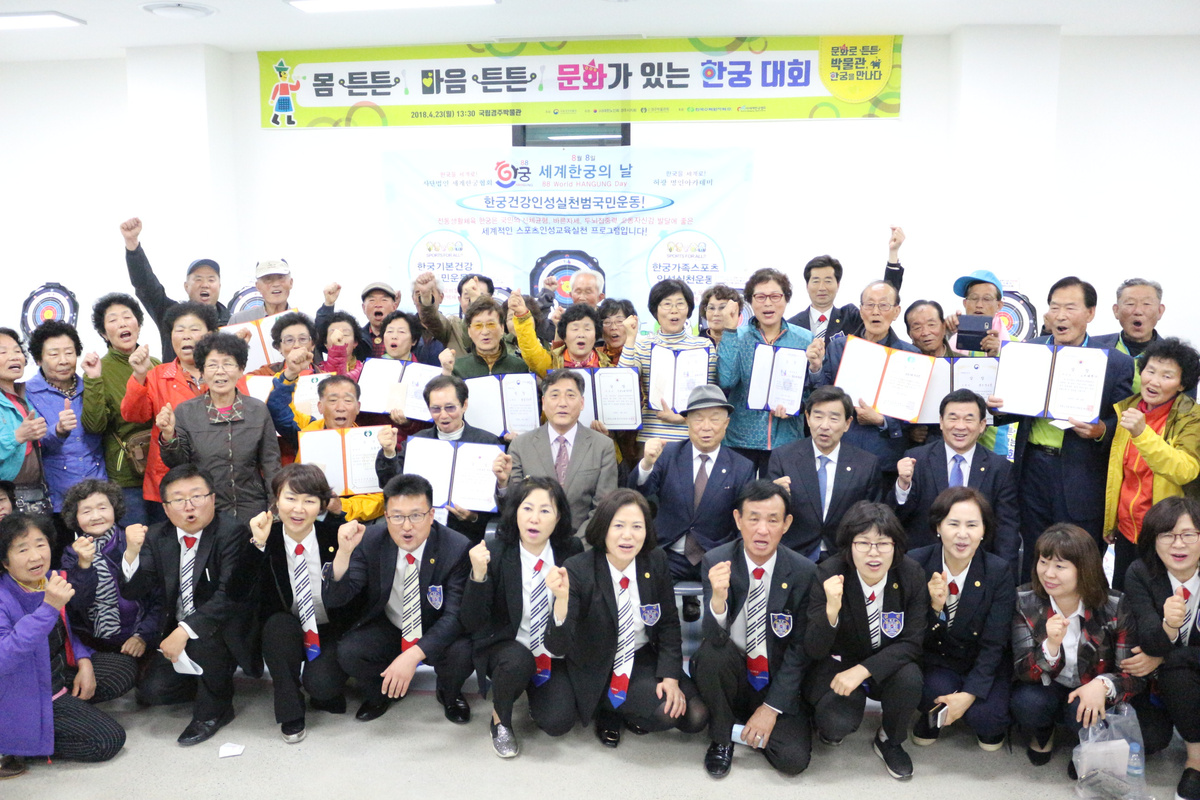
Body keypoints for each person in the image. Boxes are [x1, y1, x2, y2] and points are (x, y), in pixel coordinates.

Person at [987, 276, 1135, 576]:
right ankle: (1032, 605)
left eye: (1070, 308)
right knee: (1035, 551)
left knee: (1080, 557)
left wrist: (1101, 431)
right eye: (1054, 308)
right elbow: (1010, 410)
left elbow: (1123, 423)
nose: (1060, 316)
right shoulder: (1027, 351)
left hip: (1083, 473)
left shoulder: (1117, 363)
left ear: (1090, 313)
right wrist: (997, 407)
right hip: (1032, 468)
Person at [544, 488, 708, 747]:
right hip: (598, 663)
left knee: (696, 717)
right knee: (665, 714)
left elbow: (668, 623)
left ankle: (624, 708)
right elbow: (557, 646)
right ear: (603, 528)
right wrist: (561, 601)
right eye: (618, 525)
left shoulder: (654, 560)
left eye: (637, 526)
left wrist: (670, 676)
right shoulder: (578, 568)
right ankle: (609, 708)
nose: (628, 535)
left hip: (641, 656)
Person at [117, 464, 258, 745]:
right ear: (166, 509)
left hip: (223, 626)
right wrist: (131, 552)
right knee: (153, 692)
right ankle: (208, 679)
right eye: (178, 500)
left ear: (213, 499)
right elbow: (134, 590)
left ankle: (215, 710)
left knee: (205, 640)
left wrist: (185, 630)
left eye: (197, 496)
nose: (189, 506)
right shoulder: (157, 536)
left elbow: (229, 596)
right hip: (176, 628)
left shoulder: (232, 532)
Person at [323, 474, 474, 725]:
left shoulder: (456, 548)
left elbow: (454, 616)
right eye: (397, 516)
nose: (406, 526)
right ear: (386, 516)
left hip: (435, 626)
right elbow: (336, 599)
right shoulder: (371, 540)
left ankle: (449, 692)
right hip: (392, 624)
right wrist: (343, 553)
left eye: (416, 515)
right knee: (350, 651)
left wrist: (412, 656)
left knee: (463, 652)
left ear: (431, 515)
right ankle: (383, 692)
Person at [691, 480, 818, 778]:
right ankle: (722, 736)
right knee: (712, 654)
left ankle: (748, 721)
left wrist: (771, 708)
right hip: (732, 669)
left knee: (793, 760)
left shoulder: (804, 571)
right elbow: (712, 638)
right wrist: (718, 599)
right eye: (753, 519)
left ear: (786, 524)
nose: (762, 530)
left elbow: (799, 650)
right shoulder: (716, 560)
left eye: (773, 520)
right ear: (738, 519)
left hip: (774, 677)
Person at [459, 477, 584, 757]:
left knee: (558, 722)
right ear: (515, 512)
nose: (534, 519)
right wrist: (477, 576)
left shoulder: (571, 551)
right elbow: (472, 621)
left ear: (558, 517)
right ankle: (500, 719)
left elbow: (573, 621)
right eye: (527, 508)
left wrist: (562, 600)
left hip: (551, 649)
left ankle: (534, 694)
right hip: (507, 646)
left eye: (545, 510)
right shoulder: (496, 551)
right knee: (517, 662)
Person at [804, 501, 926, 781]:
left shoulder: (911, 574)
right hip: (839, 662)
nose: (873, 553)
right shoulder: (829, 573)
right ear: (849, 546)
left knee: (910, 677)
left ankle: (889, 740)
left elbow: (912, 642)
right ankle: (831, 724)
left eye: (883, 543)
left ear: (895, 546)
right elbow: (814, 648)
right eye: (863, 543)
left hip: (887, 661)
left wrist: (863, 670)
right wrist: (831, 611)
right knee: (835, 722)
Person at [242, 464, 362, 743]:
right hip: (287, 627)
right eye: (290, 498)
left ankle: (323, 686)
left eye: (309, 500)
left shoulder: (335, 535)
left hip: (329, 626)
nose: (298, 509)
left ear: (322, 505)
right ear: (276, 501)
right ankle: (290, 711)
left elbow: (353, 596)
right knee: (277, 626)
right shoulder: (266, 536)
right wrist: (256, 545)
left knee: (322, 687)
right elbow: (239, 592)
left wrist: (344, 554)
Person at [0, 513, 128, 772]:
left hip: (54, 673)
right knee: (108, 740)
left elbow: (66, 628)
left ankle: (63, 715)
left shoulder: (48, 579)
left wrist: (83, 661)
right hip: (24, 691)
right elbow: (5, 658)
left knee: (123, 669)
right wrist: (48, 608)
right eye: (22, 549)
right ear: (5, 561)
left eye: (40, 544)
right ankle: (21, 745)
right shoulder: (4, 597)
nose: (35, 556)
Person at [1011, 523, 1141, 775]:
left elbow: (1133, 675)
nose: (1048, 573)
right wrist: (1050, 646)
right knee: (1027, 703)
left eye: (1060, 566)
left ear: (1084, 569)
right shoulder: (1025, 600)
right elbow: (1022, 671)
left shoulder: (1114, 605)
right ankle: (1044, 731)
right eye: (1043, 562)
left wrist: (1103, 685)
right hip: (1047, 685)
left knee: (1082, 711)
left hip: (1091, 685)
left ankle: (1085, 744)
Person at [630, 385, 755, 622]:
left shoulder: (742, 466)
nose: (706, 427)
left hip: (716, 555)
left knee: (721, 613)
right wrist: (646, 464)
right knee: (653, 608)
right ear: (686, 422)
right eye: (698, 419)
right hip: (668, 553)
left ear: (726, 423)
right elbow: (638, 493)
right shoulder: (668, 455)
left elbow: (745, 518)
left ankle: (716, 642)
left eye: (714, 419)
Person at [909, 487, 1015, 752]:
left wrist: (968, 695)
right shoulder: (916, 563)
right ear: (938, 527)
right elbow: (911, 637)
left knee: (987, 718)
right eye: (953, 524)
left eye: (972, 525)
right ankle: (934, 716)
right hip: (939, 659)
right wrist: (935, 608)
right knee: (929, 691)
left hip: (980, 660)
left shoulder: (998, 571)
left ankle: (963, 709)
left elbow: (995, 644)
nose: (962, 534)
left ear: (984, 530)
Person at [1103, 337, 1200, 590]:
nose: (1154, 381)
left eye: (1167, 376)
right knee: (1123, 599)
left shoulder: (1192, 417)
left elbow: (1185, 470)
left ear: (1182, 384)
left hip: (1167, 533)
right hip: (1126, 531)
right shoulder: (1128, 407)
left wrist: (1142, 433)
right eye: (1150, 371)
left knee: (1159, 603)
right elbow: (1120, 473)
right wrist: (1111, 521)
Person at [890, 389, 1021, 574]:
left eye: (969, 419)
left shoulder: (999, 468)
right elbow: (897, 518)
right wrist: (903, 486)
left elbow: (1006, 531)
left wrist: (1004, 575)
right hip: (922, 568)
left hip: (978, 569)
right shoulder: (917, 459)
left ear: (982, 425)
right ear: (941, 422)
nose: (960, 426)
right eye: (953, 418)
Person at [1121, 497, 1200, 800]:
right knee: (1152, 735)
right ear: (1153, 540)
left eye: (1188, 534)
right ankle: (1196, 759)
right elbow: (1147, 642)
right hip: (1162, 682)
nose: (1178, 544)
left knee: (1175, 666)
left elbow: (1156, 655)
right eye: (1167, 535)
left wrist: (1164, 658)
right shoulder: (1140, 572)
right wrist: (1168, 626)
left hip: (1182, 665)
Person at [159, 332, 281, 521]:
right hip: (206, 511)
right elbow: (178, 465)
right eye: (212, 365)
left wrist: (275, 509)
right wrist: (169, 436)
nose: (220, 371)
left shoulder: (257, 410)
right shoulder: (186, 412)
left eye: (228, 364)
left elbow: (271, 463)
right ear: (202, 371)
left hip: (252, 508)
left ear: (241, 370)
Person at [120, 302, 223, 520]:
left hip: (217, 479)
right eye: (179, 330)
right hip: (169, 482)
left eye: (194, 329)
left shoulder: (224, 374)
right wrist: (139, 375)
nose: (186, 336)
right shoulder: (157, 375)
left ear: (210, 335)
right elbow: (133, 415)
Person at [806, 280, 922, 471]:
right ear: (861, 311)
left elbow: (911, 413)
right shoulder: (839, 347)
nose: (875, 312)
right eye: (869, 305)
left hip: (885, 455)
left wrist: (881, 420)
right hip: (841, 449)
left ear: (896, 312)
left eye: (883, 305)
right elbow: (822, 396)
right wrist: (816, 367)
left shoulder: (911, 355)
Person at [375, 375, 502, 542]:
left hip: (467, 532)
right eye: (435, 409)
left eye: (450, 408)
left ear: (464, 405)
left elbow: (499, 501)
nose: (443, 415)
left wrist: (474, 517)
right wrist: (389, 453)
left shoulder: (488, 443)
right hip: (418, 529)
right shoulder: (417, 442)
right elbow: (391, 485)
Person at [494, 371, 618, 537]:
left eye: (570, 395)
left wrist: (576, 545)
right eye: (554, 395)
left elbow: (603, 508)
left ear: (582, 403)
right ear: (544, 403)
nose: (562, 403)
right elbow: (512, 507)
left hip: (582, 543)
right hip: (532, 540)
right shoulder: (520, 445)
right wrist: (503, 483)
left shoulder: (602, 446)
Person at [767, 386, 882, 560]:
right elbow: (770, 513)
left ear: (847, 423)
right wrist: (773, 495)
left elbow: (873, 517)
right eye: (818, 417)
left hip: (844, 556)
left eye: (834, 418)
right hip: (794, 555)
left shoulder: (866, 464)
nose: (824, 426)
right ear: (807, 418)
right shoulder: (783, 457)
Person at [718, 268, 815, 476]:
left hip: (787, 440)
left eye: (775, 296)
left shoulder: (804, 339)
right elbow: (726, 380)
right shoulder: (737, 336)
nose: (768, 303)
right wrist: (729, 331)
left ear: (786, 299)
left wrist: (796, 406)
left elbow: (812, 391)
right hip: (740, 440)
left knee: (780, 495)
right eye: (760, 297)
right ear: (750, 302)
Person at [60, 480, 161, 665]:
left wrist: (142, 636)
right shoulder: (71, 553)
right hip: (95, 643)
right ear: (75, 517)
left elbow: (159, 598)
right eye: (86, 511)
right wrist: (83, 565)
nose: (96, 516)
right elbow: (78, 605)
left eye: (102, 508)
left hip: (143, 636)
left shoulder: (134, 541)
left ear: (115, 509)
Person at [82, 293, 158, 527]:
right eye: (113, 320)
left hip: (161, 471)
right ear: (104, 333)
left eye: (127, 317)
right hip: (126, 477)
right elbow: (94, 425)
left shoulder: (156, 364)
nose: (123, 323)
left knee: (166, 539)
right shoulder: (99, 370)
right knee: (136, 539)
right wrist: (93, 380)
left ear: (138, 325)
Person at [267, 374, 383, 522]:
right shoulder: (307, 431)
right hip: (308, 517)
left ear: (358, 407)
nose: (340, 408)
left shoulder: (372, 441)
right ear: (320, 406)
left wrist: (343, 507)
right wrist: (290, 374)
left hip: (354, 521)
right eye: (333, 400)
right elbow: (278, 409)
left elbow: (380, 498)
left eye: (348, 401)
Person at [621, 279, 717, 444]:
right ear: (655, 310)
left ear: (688, 309)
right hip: (652, 438)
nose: (674, 310)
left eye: (680, 304)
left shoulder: (704, 346)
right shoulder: (643, 345)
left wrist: (683, 417)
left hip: (692, 438)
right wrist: (630, 338)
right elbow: (624, 382)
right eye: (667, 304)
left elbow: (710, 395)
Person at [25, 320, 107, 517]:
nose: (63, 361)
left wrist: (94, 380)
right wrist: (58, 430)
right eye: (54, 354)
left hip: (99, 490)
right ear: (38, 359)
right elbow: (32, 446)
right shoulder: (27, 393)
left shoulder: (90, 385)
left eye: (69, 353)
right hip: (57, 496)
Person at [120, 217, 229, 361]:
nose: (205, 284)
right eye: (198, 279)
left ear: (219, 286)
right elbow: (146, 285)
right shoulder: (170, 314)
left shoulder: (233, 322)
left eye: (211, 279)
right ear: (186, 286)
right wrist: (133, 245)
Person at [786, 227, 905, 338]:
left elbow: (886, 295)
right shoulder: (792, 325)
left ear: (838, 285)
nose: (822, 287)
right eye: (816, 281)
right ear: (807, 286)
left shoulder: (851, 317)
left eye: (828, 281)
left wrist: (893, 254)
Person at [0, 328, 50, 519]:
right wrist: (17, 436)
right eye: (3, 352)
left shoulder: (27, 394)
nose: (14, 356)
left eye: (17, 350)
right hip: (6, 499)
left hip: (37, 494)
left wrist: (59, 430)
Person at [510, 290, 611, 375]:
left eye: (587, 329)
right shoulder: (552, 363)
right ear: (564, 335)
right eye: (575, 329)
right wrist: (522, 316)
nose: (581, 334)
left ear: (596, 335)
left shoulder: (607, 366)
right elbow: (531, 351)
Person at [1094, 278, 1166, 394]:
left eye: (1146, 304)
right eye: (1130, 304)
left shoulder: (1178, 357)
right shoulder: (1094, 348)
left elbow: (1185, 404)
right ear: (1116, 310)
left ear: (1160, 311)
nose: (1138, 311)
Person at [449, 297, 529, 379]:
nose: (485, 332)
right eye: (478, 325)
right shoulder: (457, 369)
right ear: (469, 331)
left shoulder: (520, 368)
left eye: (491, 324)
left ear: (502, 328)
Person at [317, 281, 400, 358]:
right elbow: (322, 342)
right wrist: (328, 304)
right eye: (372, 300)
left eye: (384, 300)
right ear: (363, 308)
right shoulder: (357, 338)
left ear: (394, 306)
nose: (378, 305)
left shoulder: (403, 336)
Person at [412, 271, 477, 358]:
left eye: (479, 296)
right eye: (468, 297)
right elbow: (431, 319)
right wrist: (426, 298)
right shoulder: (453, 326)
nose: (473, 301)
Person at [949, 269, 1007, 357]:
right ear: (965, 303)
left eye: (986, 299)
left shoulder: (1013, 345)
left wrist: (994, 357)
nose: (979, 305)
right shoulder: (951, 342)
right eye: (974, 298)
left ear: (998, 306)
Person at [246, 310, 317, 378]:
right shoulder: (265, 374)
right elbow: (241, 383)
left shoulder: (322, 375)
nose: (296, 345)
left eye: (303, 339)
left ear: (313, 345)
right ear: (279, 347)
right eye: (289, 340)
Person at [227, 259, 294, 323]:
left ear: (291, 283)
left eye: (280, 278)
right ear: (258, 286)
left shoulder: (300, 321)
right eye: (268, 279)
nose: (276, 284)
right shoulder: (239, 320)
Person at [314, 309, 370, 381]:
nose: (339, 337)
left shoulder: (367, 371)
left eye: (345, 334)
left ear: (355, 342)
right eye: (333, 334)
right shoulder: (316, 371)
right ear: (325, 343)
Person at [378, 309, 443, 366]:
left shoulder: (422, 371)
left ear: (414, 340)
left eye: (401, 332)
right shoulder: (373, 368)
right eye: (390, 331)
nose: (394, 336)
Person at [698, 283, 742, 348]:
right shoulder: (695, 344)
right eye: (711, 308)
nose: (716, 313)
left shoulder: (744, 344)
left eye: (722, 308)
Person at [597, 298, 636, 364]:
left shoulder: (640, 353)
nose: (613, 327)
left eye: (620, 321)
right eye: (607, 322)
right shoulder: (594, 356)